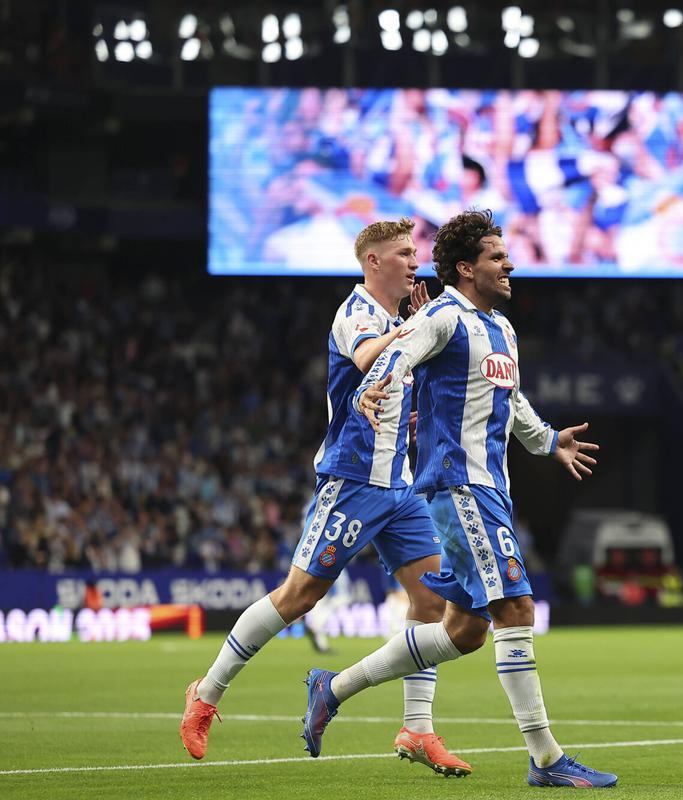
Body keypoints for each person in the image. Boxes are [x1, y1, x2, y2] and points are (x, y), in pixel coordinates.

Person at [300, 209, 617, 788]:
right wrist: (372, 390)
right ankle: (546, 760)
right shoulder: (443, 316)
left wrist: (549, 442)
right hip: (458, 484)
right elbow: (399, 353)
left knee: (465, 633)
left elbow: (513, 400)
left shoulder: (501, 328)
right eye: (498, 256)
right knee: (516, 610)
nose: (510, 264)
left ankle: (333, 686)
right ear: (467, 268)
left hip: (491, 488)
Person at [181, 219, 472, 777]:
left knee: (432, 599)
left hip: (401, 485)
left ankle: (417, 728)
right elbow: (365, 359)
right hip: (353, 481)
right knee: (299, 597)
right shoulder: (358, 313)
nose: (415, 261)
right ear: (373, 262)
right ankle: (206, 692)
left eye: (415, 252)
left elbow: (384, 385)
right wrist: (414, 327)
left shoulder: (396, 319)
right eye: (404, 253)